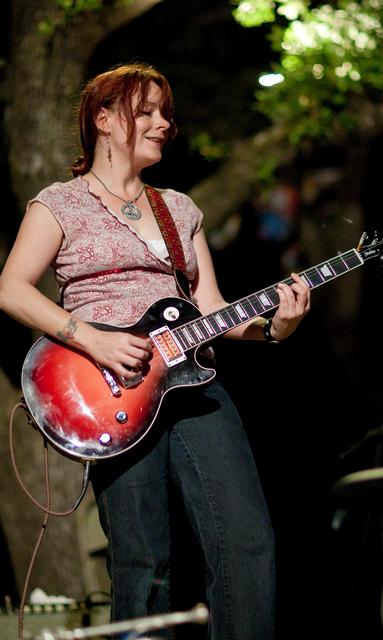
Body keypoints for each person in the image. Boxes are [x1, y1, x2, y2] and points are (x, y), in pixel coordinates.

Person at [0, 62, 310, 639]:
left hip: (194, 387)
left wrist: (272, 330)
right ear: (104, 120)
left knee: (247, 540)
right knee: (143, 559)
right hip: (108, 388)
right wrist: (89, 336)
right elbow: (12, 289)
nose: (164, 123)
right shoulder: (59, 203)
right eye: (146, 111)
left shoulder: (180, 209)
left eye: (166, 112)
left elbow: (212, 310)